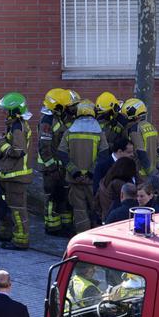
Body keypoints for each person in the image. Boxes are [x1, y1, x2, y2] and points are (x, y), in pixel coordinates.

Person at [0, 92, 34, 250]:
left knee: (17, 210)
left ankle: (21, 240)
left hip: (16, 177)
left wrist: (1, 143)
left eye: (6, 110)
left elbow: (18, 151)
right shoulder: (15, 124)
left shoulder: (18, 127)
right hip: (11, 176)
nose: (3, 113)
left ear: (14, 111)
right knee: (9, 207)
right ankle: (6, 234)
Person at [60, 99, 104, 234]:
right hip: (93, 180)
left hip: (75, 180)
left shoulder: (69, 131)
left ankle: (82, 239)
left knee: (79, 211)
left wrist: (76, 173)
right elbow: (104, 155)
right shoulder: (99, 132)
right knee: (97, 209)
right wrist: (91, 173)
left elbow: (62, 153)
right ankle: (97, 239)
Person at [38, 88, 78, 236]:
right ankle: (52, 227)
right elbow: (44, 147)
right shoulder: (47, 121)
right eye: (67, 106)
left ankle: (65, 225)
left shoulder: (60, 118)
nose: (70, 109)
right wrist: (52, 168)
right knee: (51, 197)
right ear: (58, 107)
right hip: (50, 168)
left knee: (63, 195)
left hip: (60, 167)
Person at [122, 98, 159, 177]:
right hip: (154, 173)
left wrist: (151, 172)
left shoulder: (134, 130)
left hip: (141, 174)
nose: (125, 117)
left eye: (126, 114)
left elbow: (140, 152)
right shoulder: (150, 126)